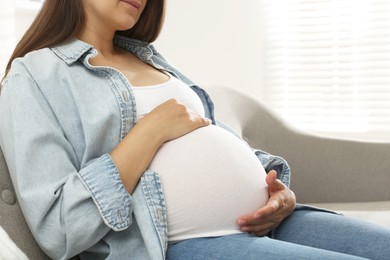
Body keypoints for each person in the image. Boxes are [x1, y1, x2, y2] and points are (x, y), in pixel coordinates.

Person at [1, 0, 389, 259]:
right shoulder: (33, 75)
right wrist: (148, 132)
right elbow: (58, 229)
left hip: (270, 223)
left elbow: (208, 137)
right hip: (176, 241)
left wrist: (275, 189)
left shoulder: (151, 60)